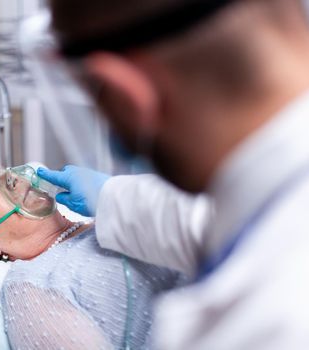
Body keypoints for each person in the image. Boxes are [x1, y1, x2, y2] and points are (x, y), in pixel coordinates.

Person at [36, 0, 309, 348]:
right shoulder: (28, 285)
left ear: (127, 93)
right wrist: (108, 197)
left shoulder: (268, 325)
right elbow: (206, 219)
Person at [0, 159, 184, 349]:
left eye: (5, 173)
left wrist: (113, 196)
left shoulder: (107, 217)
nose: (11, 180)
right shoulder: (32, 287)